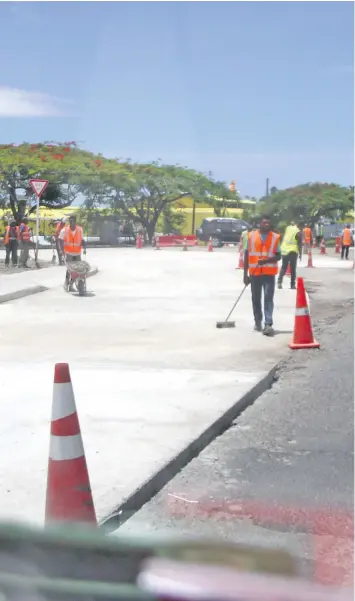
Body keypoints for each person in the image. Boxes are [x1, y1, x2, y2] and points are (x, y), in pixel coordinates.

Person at [243, 215, 281, 337]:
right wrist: (245, 274)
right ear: (259, 223)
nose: (266, 225)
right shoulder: (251, 236)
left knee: (268, 299)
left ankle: (268, 323)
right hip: (255, 273)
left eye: (268, 223)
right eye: (264, 222)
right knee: (256, 298)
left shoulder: (275, 237)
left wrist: (266, 261)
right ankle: (258, 321)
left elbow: (278, 256)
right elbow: (246, 255)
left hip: (269, 274)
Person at [62, 215, 86, 291]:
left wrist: (84, 248)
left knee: (77, 270)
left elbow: (82, 240)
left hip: (77, 253)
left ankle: (71, 285)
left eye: (73, 221)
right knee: (69, 269)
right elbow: (59, 240)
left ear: (75, 221)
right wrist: (60, 250)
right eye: (70, 221)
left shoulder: (80, 230)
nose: (71, 222)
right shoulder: (65, 230)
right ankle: (66, 283)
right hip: (69, 253)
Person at [277, 222, 302, 290]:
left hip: (284, 250)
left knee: (283, 267)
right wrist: (300, 253)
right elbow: (299, 243)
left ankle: (279, 282)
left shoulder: (288, 228)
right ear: (299, 226)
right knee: (293, 268)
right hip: (292, 251)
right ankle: (292, 284)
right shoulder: (298, 231)